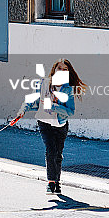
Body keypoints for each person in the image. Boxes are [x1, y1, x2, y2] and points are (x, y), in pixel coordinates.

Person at [17, 58, 87, 194]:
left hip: (60, 125)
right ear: (54, 69)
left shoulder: (68, 90)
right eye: (59, 68)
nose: (62, 71)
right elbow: (31, 99)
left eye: (65, 69)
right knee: (51, 151)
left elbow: (70, 111)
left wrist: (54, 106)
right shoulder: (43, 83)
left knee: (58, 154)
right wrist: (22, 111)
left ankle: (57, 182)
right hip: (44, 123)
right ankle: (51, 182)